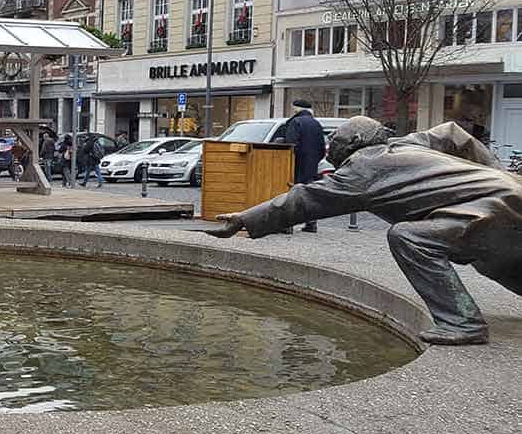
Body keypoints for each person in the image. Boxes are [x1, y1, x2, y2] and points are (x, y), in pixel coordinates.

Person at [209, 118, 522, 346]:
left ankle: (462, 322)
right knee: (494, 257)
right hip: (511, 198)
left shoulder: (360, 170)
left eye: (336, 140)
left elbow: (304, 200)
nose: (331, 145)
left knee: (410, 238)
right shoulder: (409, 143)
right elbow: (455, 133)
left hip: (490, 210)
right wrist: (499, 173)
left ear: (356, 141)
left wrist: (246, 219)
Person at [286, 99, 327, 234]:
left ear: (296, 109)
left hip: (297, 164)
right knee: (309, 194)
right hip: (311, 166)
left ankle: (287, 224)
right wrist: (314, 160)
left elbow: (290, 145)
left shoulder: (295, 122)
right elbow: (322, 147)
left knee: (293, 193)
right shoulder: (316, 123)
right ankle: (311, 223)